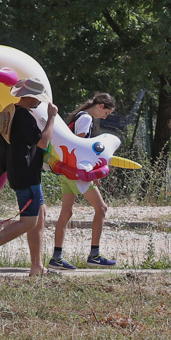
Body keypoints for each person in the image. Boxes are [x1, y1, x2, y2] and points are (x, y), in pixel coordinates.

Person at [0, 79, 57, 277]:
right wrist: (52, 117)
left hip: (23, 173)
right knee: (28, 222)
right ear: (28, 97)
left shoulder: (11, 112)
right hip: (25, 175)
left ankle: (37, 266)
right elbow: (43, 142)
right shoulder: (24, 117)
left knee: (40, 218)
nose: (40, 103)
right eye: (38, 98)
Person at [49, 91, 117, 270]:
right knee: (101, 208)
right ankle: (94, 254)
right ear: (101, 106)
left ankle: (57, 257)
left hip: (67, 170)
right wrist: (91, 174)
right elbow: (78, 147)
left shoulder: (78, 115)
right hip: (76, 172)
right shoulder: (86, 119)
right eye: (106, 113)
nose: (105, 117)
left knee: (66, 212)